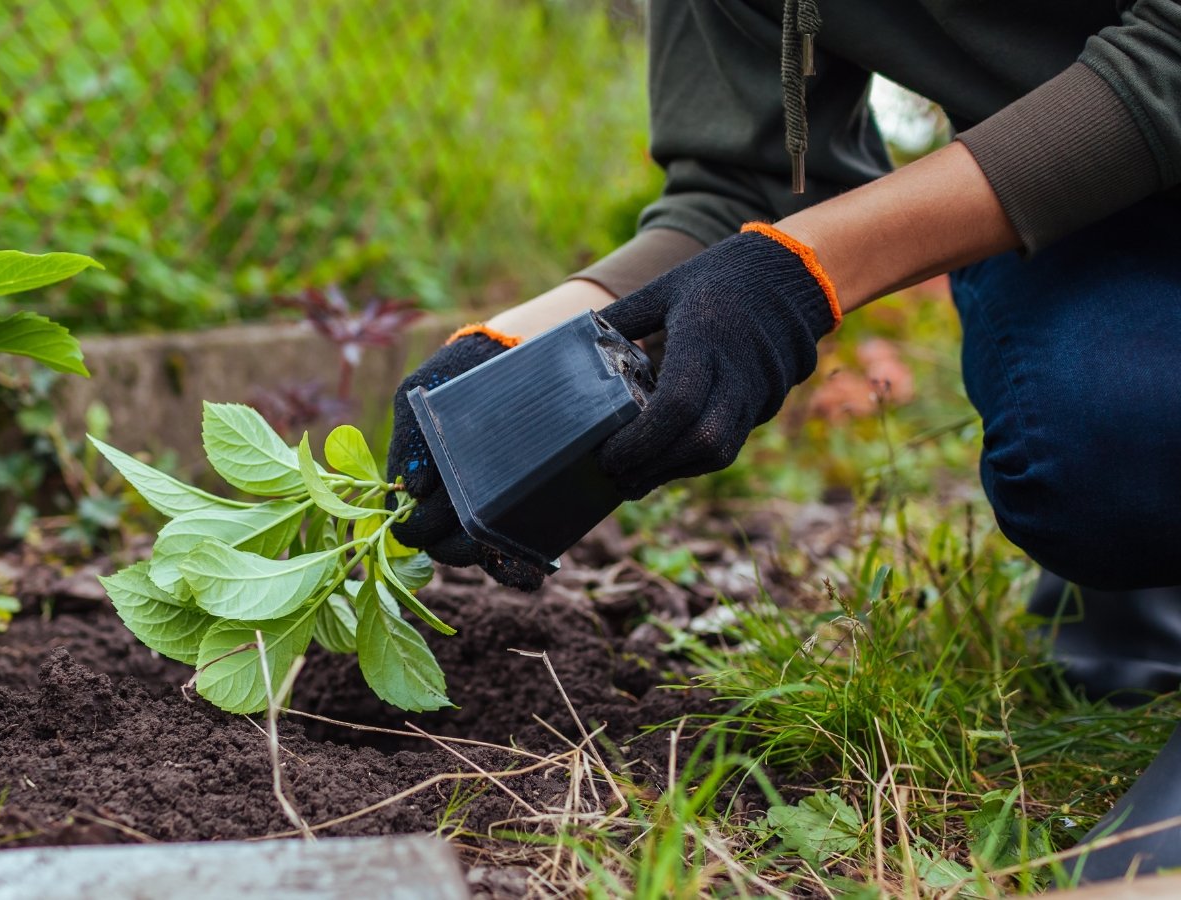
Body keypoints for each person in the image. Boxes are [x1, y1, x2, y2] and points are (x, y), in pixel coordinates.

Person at [386, 1, 1181, 881]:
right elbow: (748, 191)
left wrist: (812, 268)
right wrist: (514, 350)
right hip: (1104, 200)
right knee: (1105, 448)